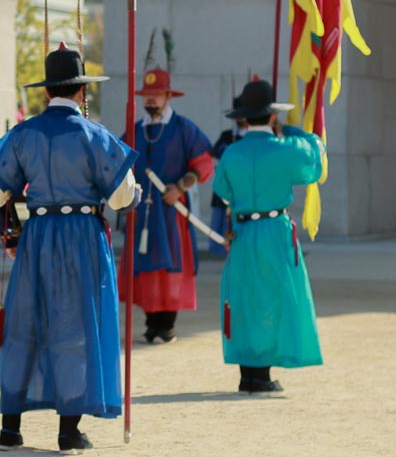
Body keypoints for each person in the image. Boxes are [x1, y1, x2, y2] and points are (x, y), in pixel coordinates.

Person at [0, 43, 140, 454]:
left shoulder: (23, 134)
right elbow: (122, 198)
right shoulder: (95, 135)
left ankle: (10, 429)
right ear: (82, 92)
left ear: (46, 90)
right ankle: (68, 430)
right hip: (82, 237)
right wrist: (135, 191)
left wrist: (13, 232)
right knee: (75, 328)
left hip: (38, 237)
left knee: (24, 325)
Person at [213, 80, 323, 393]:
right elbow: (314, 161)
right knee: (272, 299)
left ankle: (248, 372)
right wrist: (295, 132)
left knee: (244, 299)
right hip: (274, 230)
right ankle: (261, 375)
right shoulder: (285, 149)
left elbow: (222, 191)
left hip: (243, 231)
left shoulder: (232, 152)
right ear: (272, 116)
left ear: (245, 118)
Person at [122, 51, 214, 343]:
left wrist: (181, 188)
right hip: (142, 211)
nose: (151, 100)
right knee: (146, 265)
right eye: (147, 95)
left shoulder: (184, 128)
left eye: (157, 94)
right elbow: (118, 167)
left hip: (170, 210)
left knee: (171, 263)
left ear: (168, 97)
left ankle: (167, 323)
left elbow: (203, 163)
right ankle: (152, 322)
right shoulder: (134, 131)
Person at [209, 97, 247, 255]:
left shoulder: (252, 137)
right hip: (226, 187)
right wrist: (229, 150)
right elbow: (216, 150)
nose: (240, 119)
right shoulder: (227, 135)